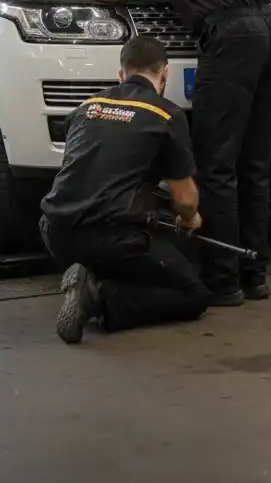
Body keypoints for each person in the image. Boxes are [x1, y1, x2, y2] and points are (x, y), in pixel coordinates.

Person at [82, 0, 271, 307]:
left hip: (229, 37)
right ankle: (256, 273)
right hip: (267, 32)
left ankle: (223, 282)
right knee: (253, 160)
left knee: (216, 162)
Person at [39, 35, 211, 344]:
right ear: (165, 73)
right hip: (112, 239)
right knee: (193, 293)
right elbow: (185, 201)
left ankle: (87, 274)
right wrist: (189, 219)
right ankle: (98, 296)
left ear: (121, 74)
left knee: (134, 237)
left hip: (55, 232)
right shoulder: (167, 115)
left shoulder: (86, 107)